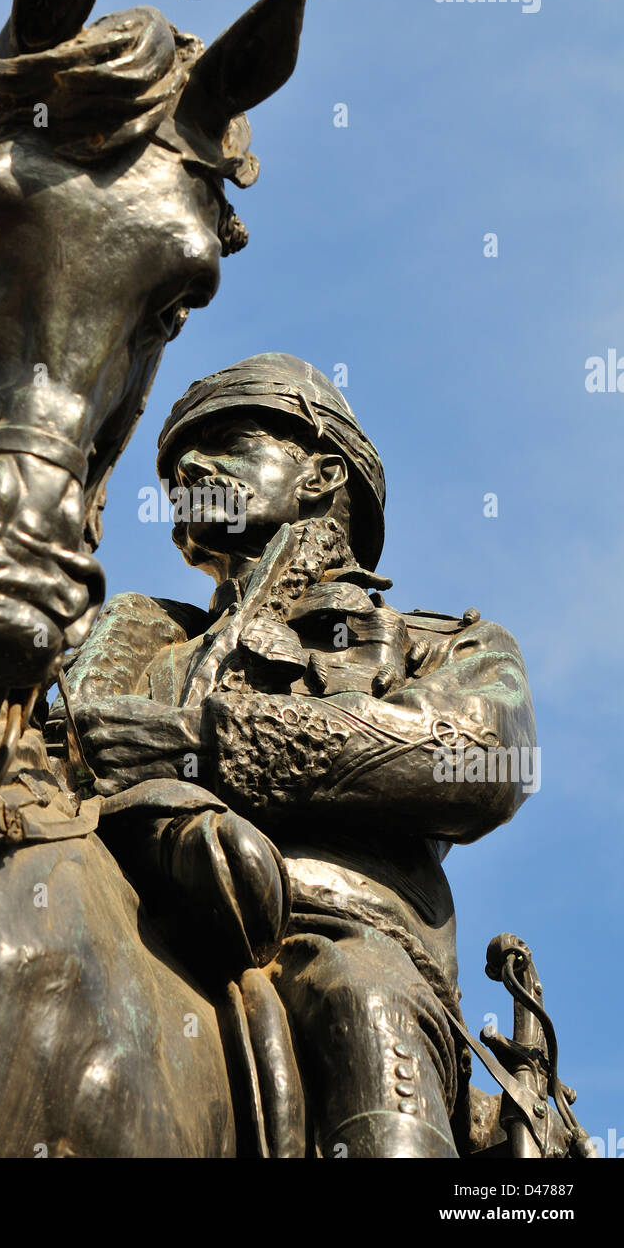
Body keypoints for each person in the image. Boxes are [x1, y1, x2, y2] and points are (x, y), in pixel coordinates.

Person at [60, 353, 537, 1158]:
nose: (189, 471)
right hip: (117, 906)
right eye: (175, 465)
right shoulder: (134, 638)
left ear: (320, 476)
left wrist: (204, 745)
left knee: (365, 1006)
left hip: (335, 934)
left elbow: (483, 755)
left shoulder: (440, 643)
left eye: (230, 445)